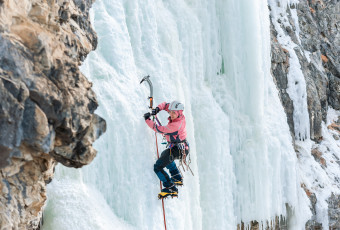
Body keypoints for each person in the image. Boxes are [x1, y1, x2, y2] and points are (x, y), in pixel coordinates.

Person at [144, 101, 189, 198]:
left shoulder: (176, 125)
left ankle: (170, 187)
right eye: (170, 112)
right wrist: (157, 109)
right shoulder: (178, 114)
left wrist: (147, 120)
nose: (171, 115)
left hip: (180, 150)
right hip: (180, 147)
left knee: (158, 167)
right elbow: (165, 105)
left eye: (174, 113)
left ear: (179, 113)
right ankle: (177, 177)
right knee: (165, 156)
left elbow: (158, 129)